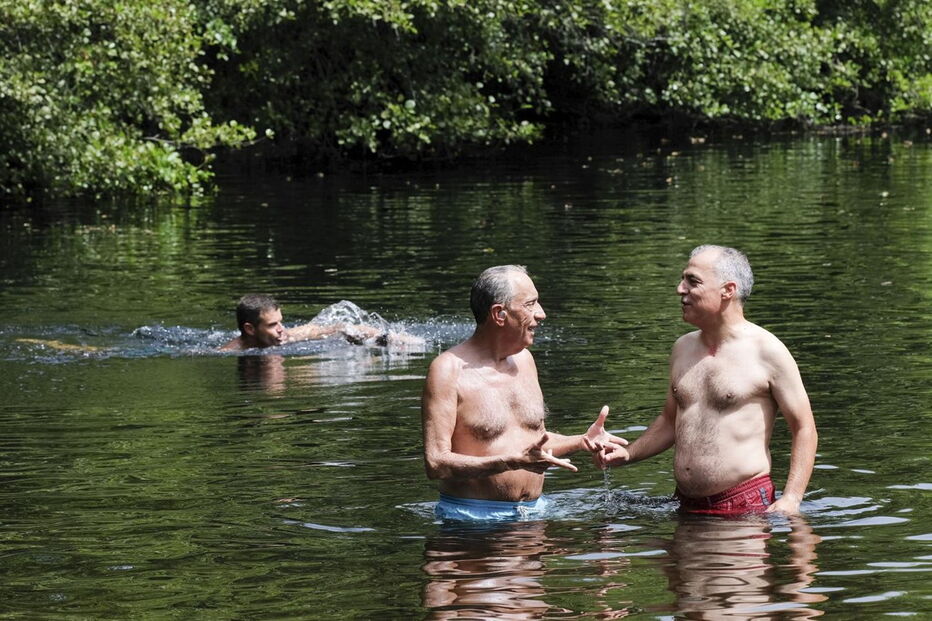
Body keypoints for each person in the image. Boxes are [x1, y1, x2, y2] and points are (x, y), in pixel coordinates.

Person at [590, 245, 818, 515]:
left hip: (744, 505)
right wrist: (628, 454)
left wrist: (792, 498)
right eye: (683, 279)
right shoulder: (682, 348)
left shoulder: (768, 351)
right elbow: (669, 420)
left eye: (692, 281)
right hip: (684, 504)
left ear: (728, 290)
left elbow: (804, 427)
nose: (680, 289)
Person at [422, 265, 626, 521]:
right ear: (499, 314)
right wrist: (510, 462)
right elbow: (436, 463)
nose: (541, 314)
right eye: (530, 304)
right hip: (472, 522)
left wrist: (582, 441)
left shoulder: (525, 361)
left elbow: (532, 442)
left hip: (535, 513)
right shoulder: (446, 371)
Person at [220, 294, 384, 351]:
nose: (281, 329)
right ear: (250, 329)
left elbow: (338, 328)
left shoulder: (285, 336)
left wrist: (384, 337)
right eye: (272, 325)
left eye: (280, 322)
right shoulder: (229, 352)